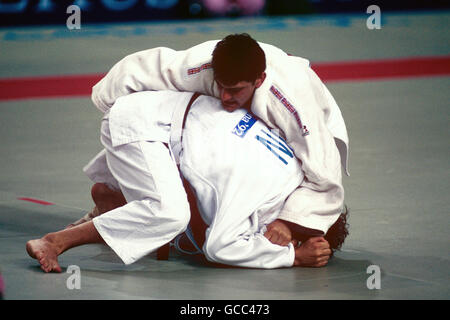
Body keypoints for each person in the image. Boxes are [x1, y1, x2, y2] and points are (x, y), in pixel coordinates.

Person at [26, 91, 347, 272]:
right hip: (145, 129)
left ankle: (114, 200)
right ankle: (55, 241)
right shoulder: (262, 191)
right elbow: (220, 247)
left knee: (195, 213)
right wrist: (293, 258)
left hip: (166, 117)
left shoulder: (292, 168)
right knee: (170, 216)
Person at [90, 33, 350, 247]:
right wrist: (109, 105)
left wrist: (285, 221)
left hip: (312, 124)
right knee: (182, 129)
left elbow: (327, 180)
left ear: (259, 80)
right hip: (250, 94)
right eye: (221, 86)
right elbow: (146, 68)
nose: (225, 97)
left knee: (268, 187)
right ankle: (118, 193)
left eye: (235, 90)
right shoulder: (202, 65)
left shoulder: (294, 105)